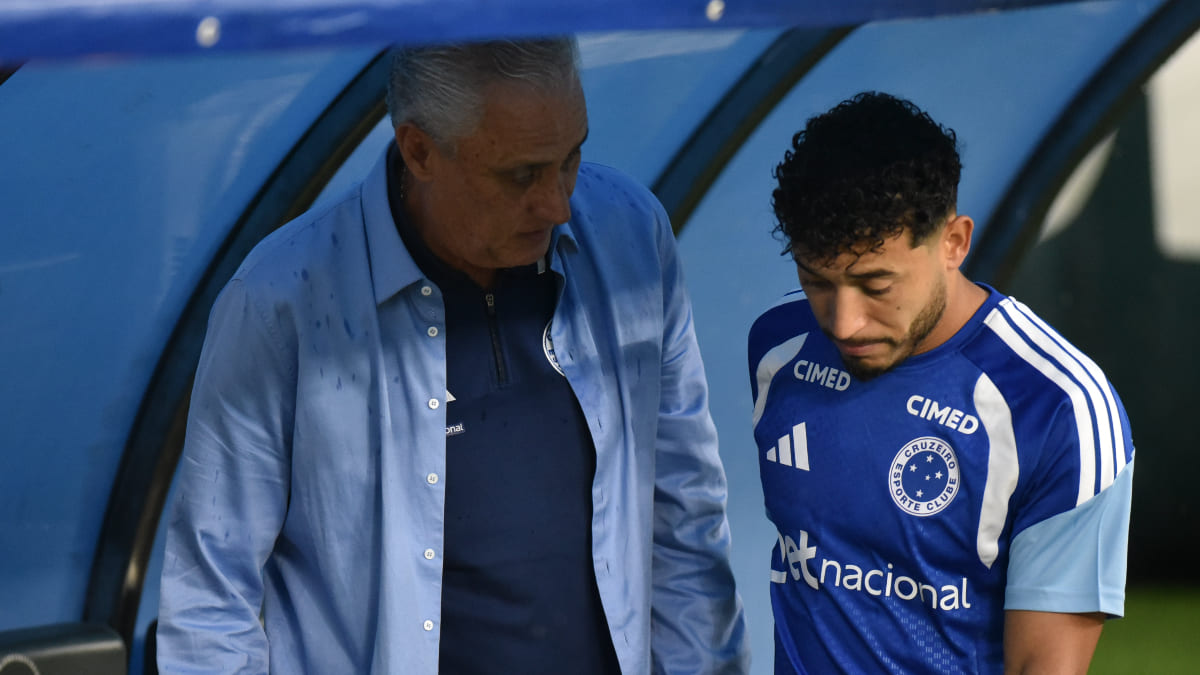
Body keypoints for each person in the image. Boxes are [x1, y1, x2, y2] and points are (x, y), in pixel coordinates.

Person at [157, 37, 748, 674]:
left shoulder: (630, 233)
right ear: (419, 150)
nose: (557, 204)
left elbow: (684, 517)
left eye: (571, 159)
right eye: (521, 174)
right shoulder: (282, 300)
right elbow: (211, 596)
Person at [747, 92, 1134, 673]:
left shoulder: (1057, 408)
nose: (843, 322)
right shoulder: (777, 344)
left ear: (953, 242)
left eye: (876, 285)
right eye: (816, 282)